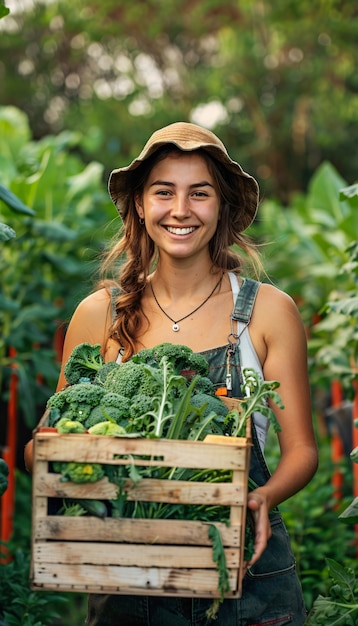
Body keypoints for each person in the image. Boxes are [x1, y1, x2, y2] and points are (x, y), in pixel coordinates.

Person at [25, 121, 318, 625]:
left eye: (199, 193)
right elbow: (43, 445)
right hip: (127, 578)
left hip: (243, 576)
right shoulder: (101, 314)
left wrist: (261, 497)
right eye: (164, 192)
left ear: (222, 205)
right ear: (140, 204)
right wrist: (66, 457)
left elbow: (303, 451)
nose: (181, 210)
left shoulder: (269, 312)